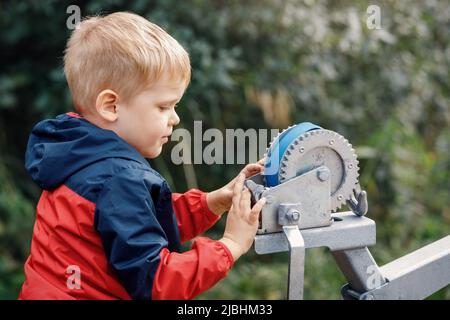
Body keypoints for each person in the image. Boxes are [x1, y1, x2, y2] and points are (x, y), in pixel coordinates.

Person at [19, 11, 266, 300]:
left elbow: (138, 221)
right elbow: (157, 282)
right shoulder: (116, 178)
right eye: (163, 107)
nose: (174, 119)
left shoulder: (78, 155)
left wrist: (213, 203)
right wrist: (231, 245)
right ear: (111, 105)